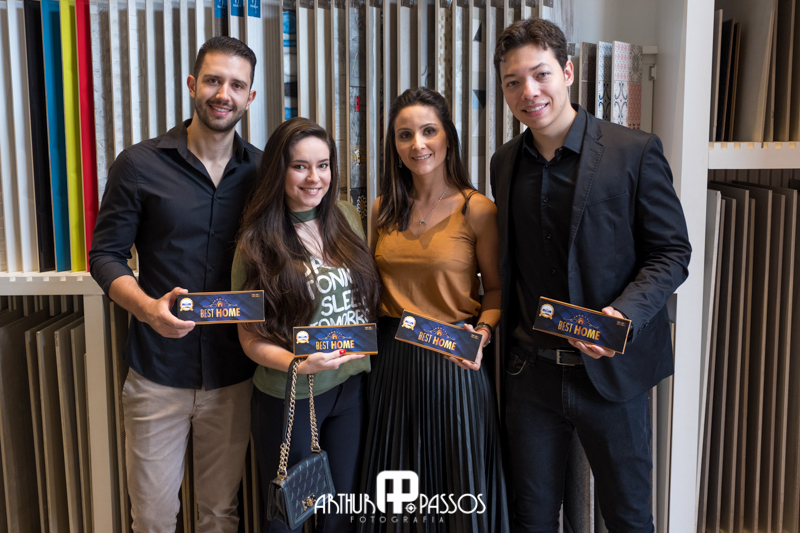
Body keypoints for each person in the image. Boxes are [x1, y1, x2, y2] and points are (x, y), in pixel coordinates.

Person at [491, 18, 692, 533]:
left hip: (612, 375)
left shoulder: (633, 151)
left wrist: (622, 315)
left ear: (568, 72)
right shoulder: (504, 163)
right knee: (531, 519)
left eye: (541, 74)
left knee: (627, 517)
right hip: (530, 375)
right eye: (513, 81)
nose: (529, 91)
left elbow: (672, 253)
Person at [89, 37, 260, 532]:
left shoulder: (263, 171)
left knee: (220, 514)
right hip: (157, 374)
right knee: (153, 518)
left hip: (233, 373)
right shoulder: (138, 164)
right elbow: (105, 256)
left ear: (250, 96)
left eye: (236, 85)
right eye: (213, 80)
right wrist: (146, 308)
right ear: (191, 84)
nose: (223, 94)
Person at [359, 87, 509, 532]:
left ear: (448, 139)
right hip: (391, 362)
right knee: (396, 492)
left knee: (455, 487)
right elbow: (369, 290)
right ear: (394, 145)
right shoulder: (382, 209)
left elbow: (496, 290)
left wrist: (482, 334)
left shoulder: (477, 209)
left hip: (454, 361)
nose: (417, 144)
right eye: (405, 135)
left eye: (429, 131)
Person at [233, 117, 382, 533]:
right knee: (290, 519)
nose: (314, 178)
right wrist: (298, 364)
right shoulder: (257, 242)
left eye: (323, 165)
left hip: (349, 387)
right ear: (278, 171)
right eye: (300, 166)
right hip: (292, 397)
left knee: (340, 515)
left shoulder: (346, 216)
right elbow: (249, 338)